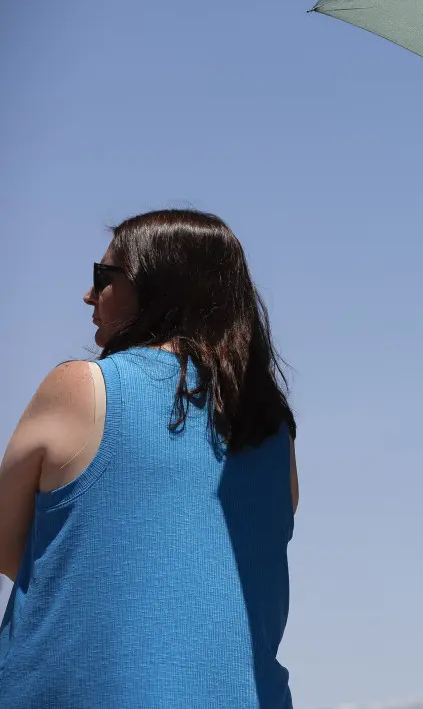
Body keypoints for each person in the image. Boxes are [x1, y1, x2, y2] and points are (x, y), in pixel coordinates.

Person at [0, 209, 299, 708]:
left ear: (158, 284)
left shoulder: (84, 387)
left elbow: (10, 546)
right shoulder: (275, 430)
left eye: (104, 278)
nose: (89, 295)